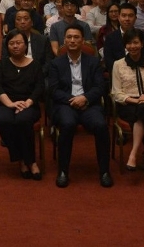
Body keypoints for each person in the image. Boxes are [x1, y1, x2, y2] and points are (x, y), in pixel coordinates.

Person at [46, 24, 113, 188]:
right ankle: (63, 171)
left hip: (88, 103)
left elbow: (99, 87)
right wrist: (72, 100)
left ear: (83, 41)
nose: (72, 40)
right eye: (69, 37)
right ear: (64, 41)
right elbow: (53, 90)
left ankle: (104, 171)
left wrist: (84, 98)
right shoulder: (56, 63)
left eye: (76, 37)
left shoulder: (93, 62)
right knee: (67, 124)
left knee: (101, 125)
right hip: (66, 104)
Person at [110, 29, 144, 183]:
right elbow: (116, 93)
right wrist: (134, 100)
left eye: (136, 42)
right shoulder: (118, 65)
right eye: (129, 43)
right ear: (125, 45)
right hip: (128, 104)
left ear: (142, 44)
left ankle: (133, 153)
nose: (132, 46)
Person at [0, 29, 45, 181]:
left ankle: (29, 161)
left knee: (23, 120)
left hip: (29, 104)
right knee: (4, 120)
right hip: (6, 103)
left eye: (19, 43)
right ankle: (22, 159)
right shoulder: (1, 64)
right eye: (11, 43)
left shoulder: (34, 65)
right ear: (7, 46)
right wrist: (10, 104)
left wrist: (28, 102)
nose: (15, 46)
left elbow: (39, 87)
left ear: (25, 45)